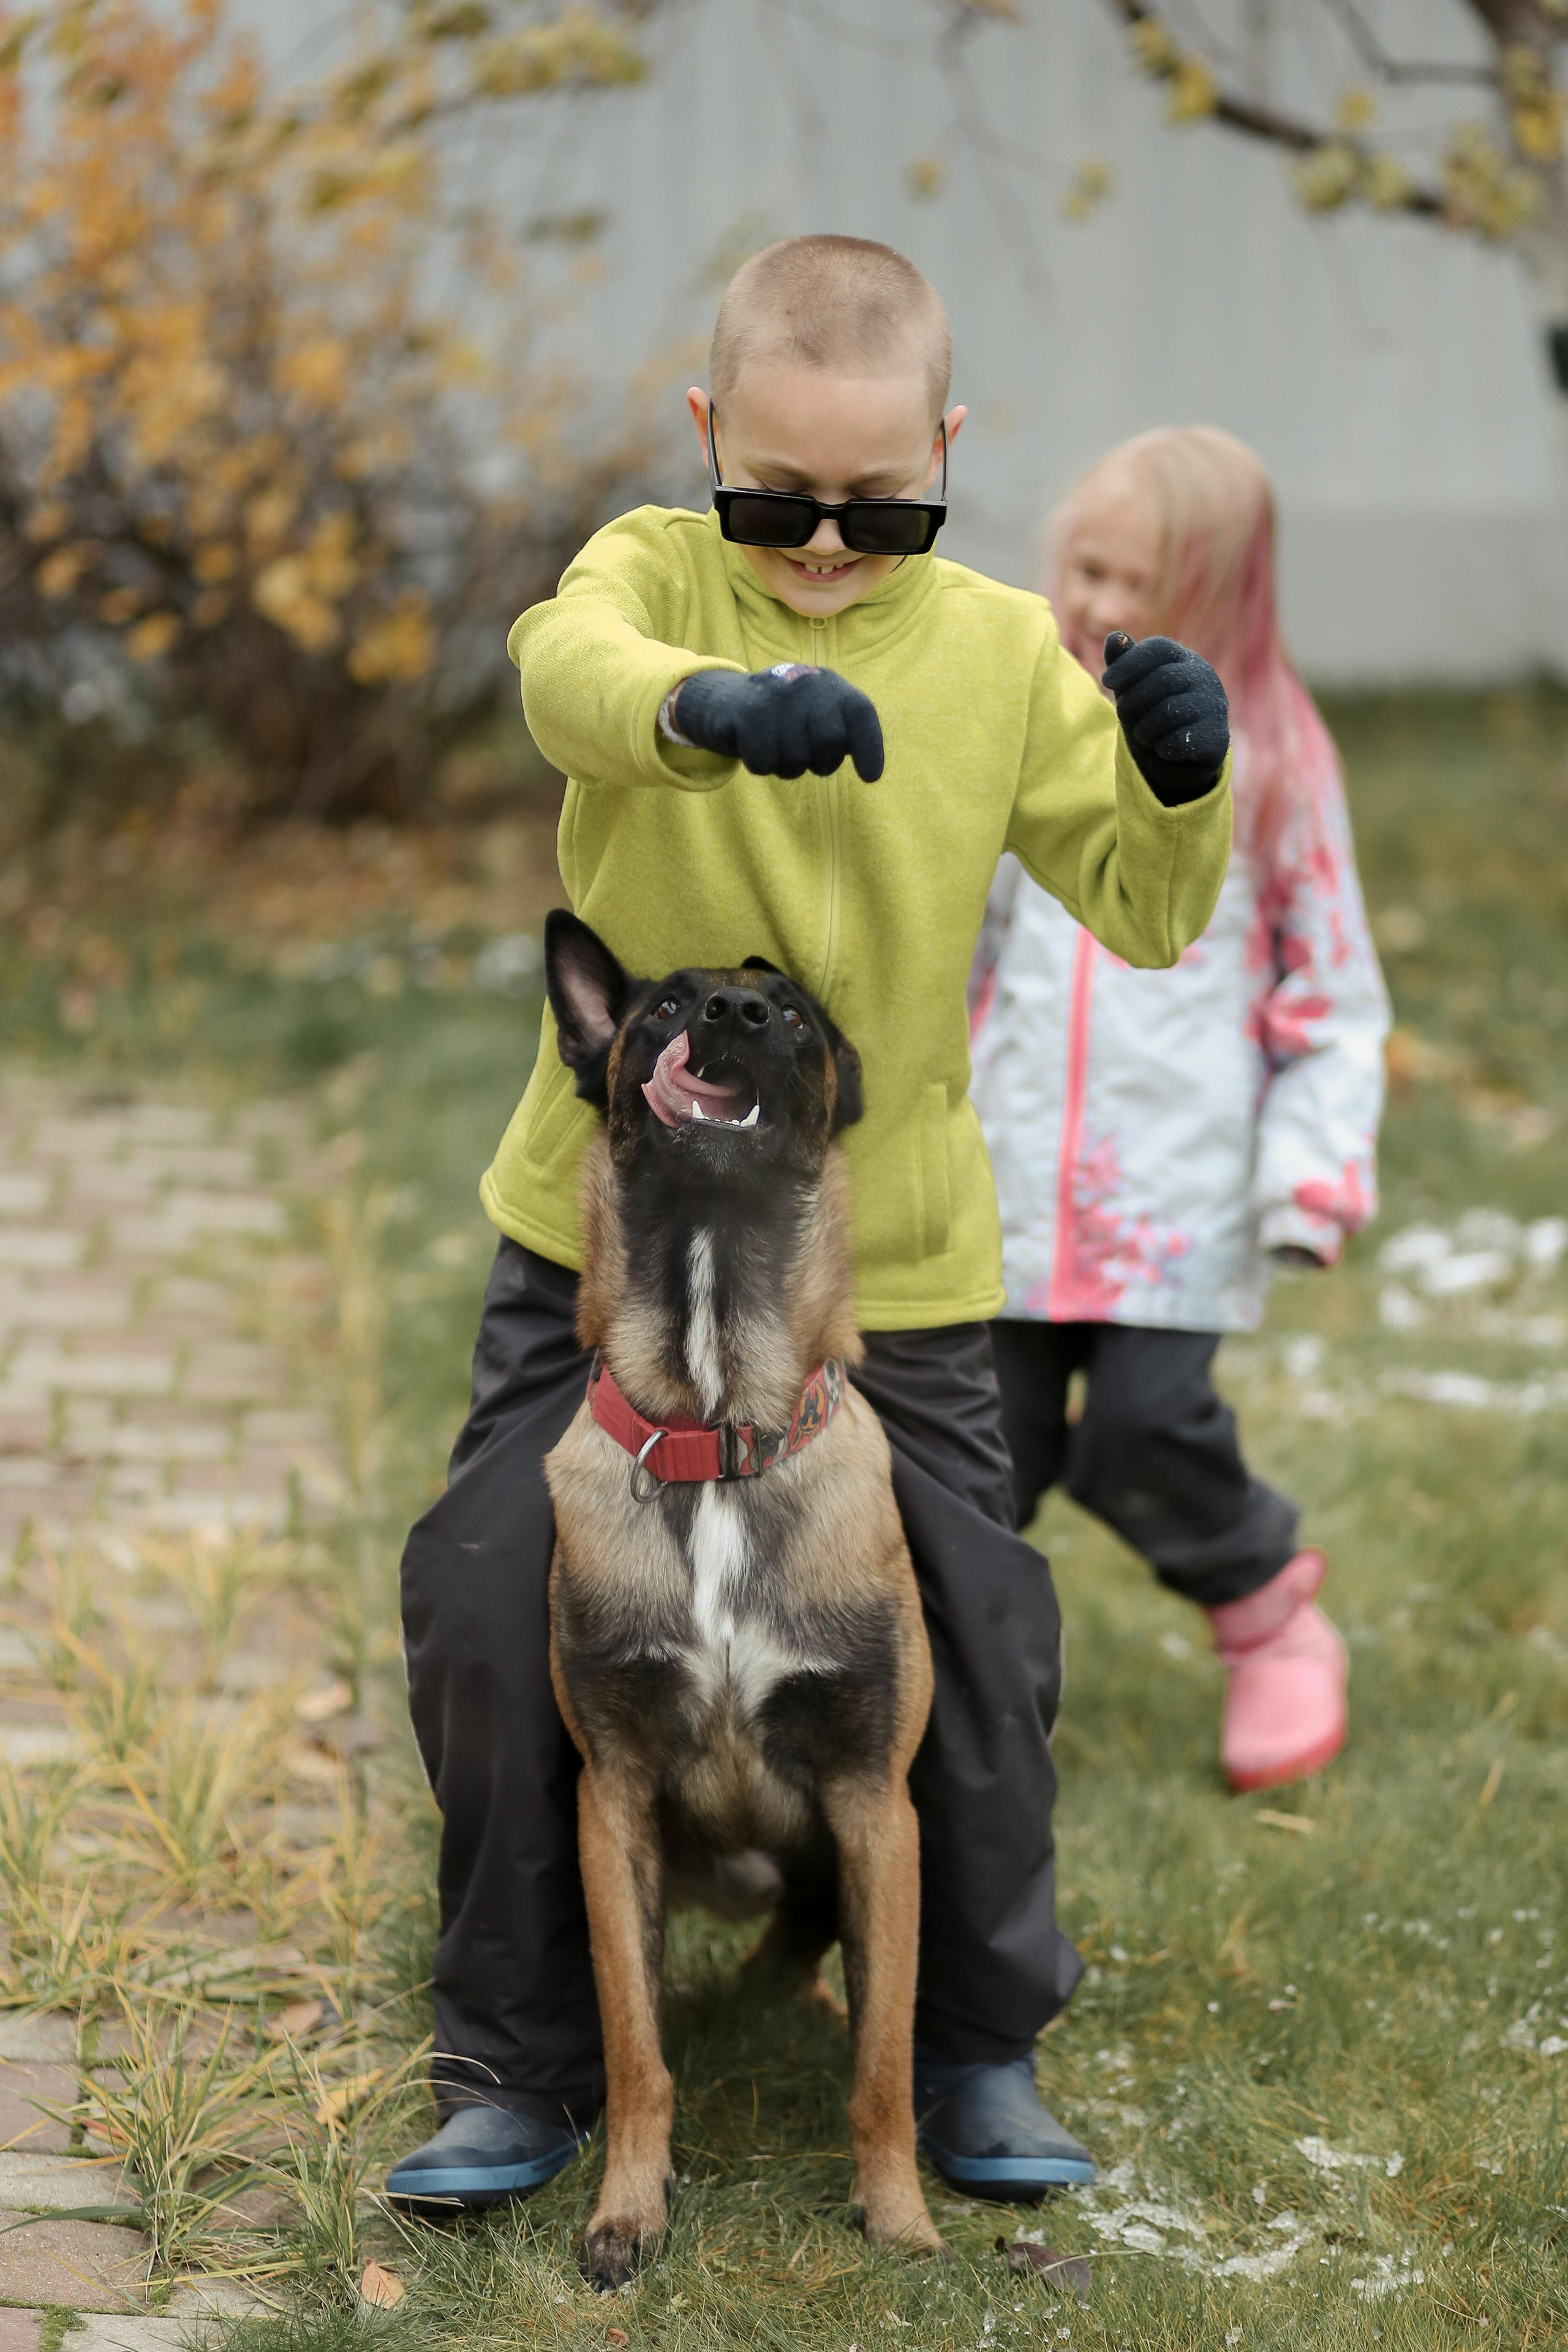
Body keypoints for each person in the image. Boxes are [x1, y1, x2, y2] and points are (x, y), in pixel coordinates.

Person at [389, 238, 1235, 2212]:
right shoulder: (648, 577)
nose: (830, 553)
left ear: (949, 452)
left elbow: (1149, 903)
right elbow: (559, 681)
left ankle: (974, 2051)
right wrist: (713, 706)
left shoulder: (1007, 652)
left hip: (894, 1276)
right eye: (777, 504)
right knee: (486, 1597)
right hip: (599, 1258)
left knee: (990, 1640)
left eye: (883, 511)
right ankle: (519, 2060)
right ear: (707, 443)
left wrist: (1181, 781)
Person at [969, 426, 1389, 1795]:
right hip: (1010, 1179)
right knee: (981, 1452)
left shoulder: (1268, 758)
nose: (1090, 603)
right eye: (1076, 567)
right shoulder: (1021, 724)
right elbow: (964, 946)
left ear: (1214, 599)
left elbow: (1328, 990)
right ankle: (954, 1689)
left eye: (1129, 581)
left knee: (1145, 1431)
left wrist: (1310, 1171)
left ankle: (1265, 1611)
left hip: (1172, 1191)